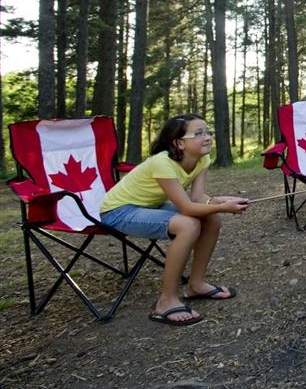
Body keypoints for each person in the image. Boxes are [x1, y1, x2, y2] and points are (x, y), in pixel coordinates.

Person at [100, 114, 249, 326]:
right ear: (179, 143)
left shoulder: (202, 158)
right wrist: (223, 207)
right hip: (118, 211)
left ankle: (195, 284)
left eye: (208, 132)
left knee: (211, 218)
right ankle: (165, 301)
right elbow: (187, 207)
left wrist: (217, 202)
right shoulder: (162, 162)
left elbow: (198, 198)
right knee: (189, 224)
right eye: (198, 134)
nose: (207, 137)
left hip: (151, 205)